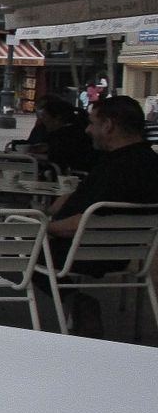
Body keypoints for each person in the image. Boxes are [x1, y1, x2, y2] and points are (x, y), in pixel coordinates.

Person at [42, 95, 158, 337]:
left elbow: (82, 222)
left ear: (108, 125)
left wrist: (45, 227)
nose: (87, 130)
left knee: (16, 246)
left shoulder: (113, 168)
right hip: (130, 253)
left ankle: (78, 301)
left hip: (77, 252)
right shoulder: (149, 163)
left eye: (92, 123)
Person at [25, 93, 97, 174]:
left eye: (45, 116)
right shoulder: (60, 133)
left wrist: (37, 155)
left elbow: (62, 157)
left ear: (57, 118)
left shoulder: (72, 135)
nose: (42, 119)